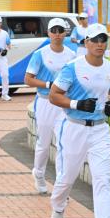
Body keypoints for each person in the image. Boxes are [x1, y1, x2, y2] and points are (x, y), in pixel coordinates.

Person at [48, 23, 110, 218]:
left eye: (103, 39)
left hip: (100, 129)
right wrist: (76, 104)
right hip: (74, 128)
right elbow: (54, 95)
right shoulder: (73, 68)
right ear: (86, 42)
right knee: (66, 179)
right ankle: (58, 206)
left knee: (102, 180)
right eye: (95, 40)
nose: (100, 44)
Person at [24, 18, 77, 194]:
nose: (57, 34)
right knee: (44, 143)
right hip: (45, 102)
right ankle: (39, 174)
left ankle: (61, 186)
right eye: (53, 30)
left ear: (65, 33)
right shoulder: (40, 54)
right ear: (48, 33)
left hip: (63, 104)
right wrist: (49, 84)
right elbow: (28, 79)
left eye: (60, 31)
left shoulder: (71, 55)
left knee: (63, 145)